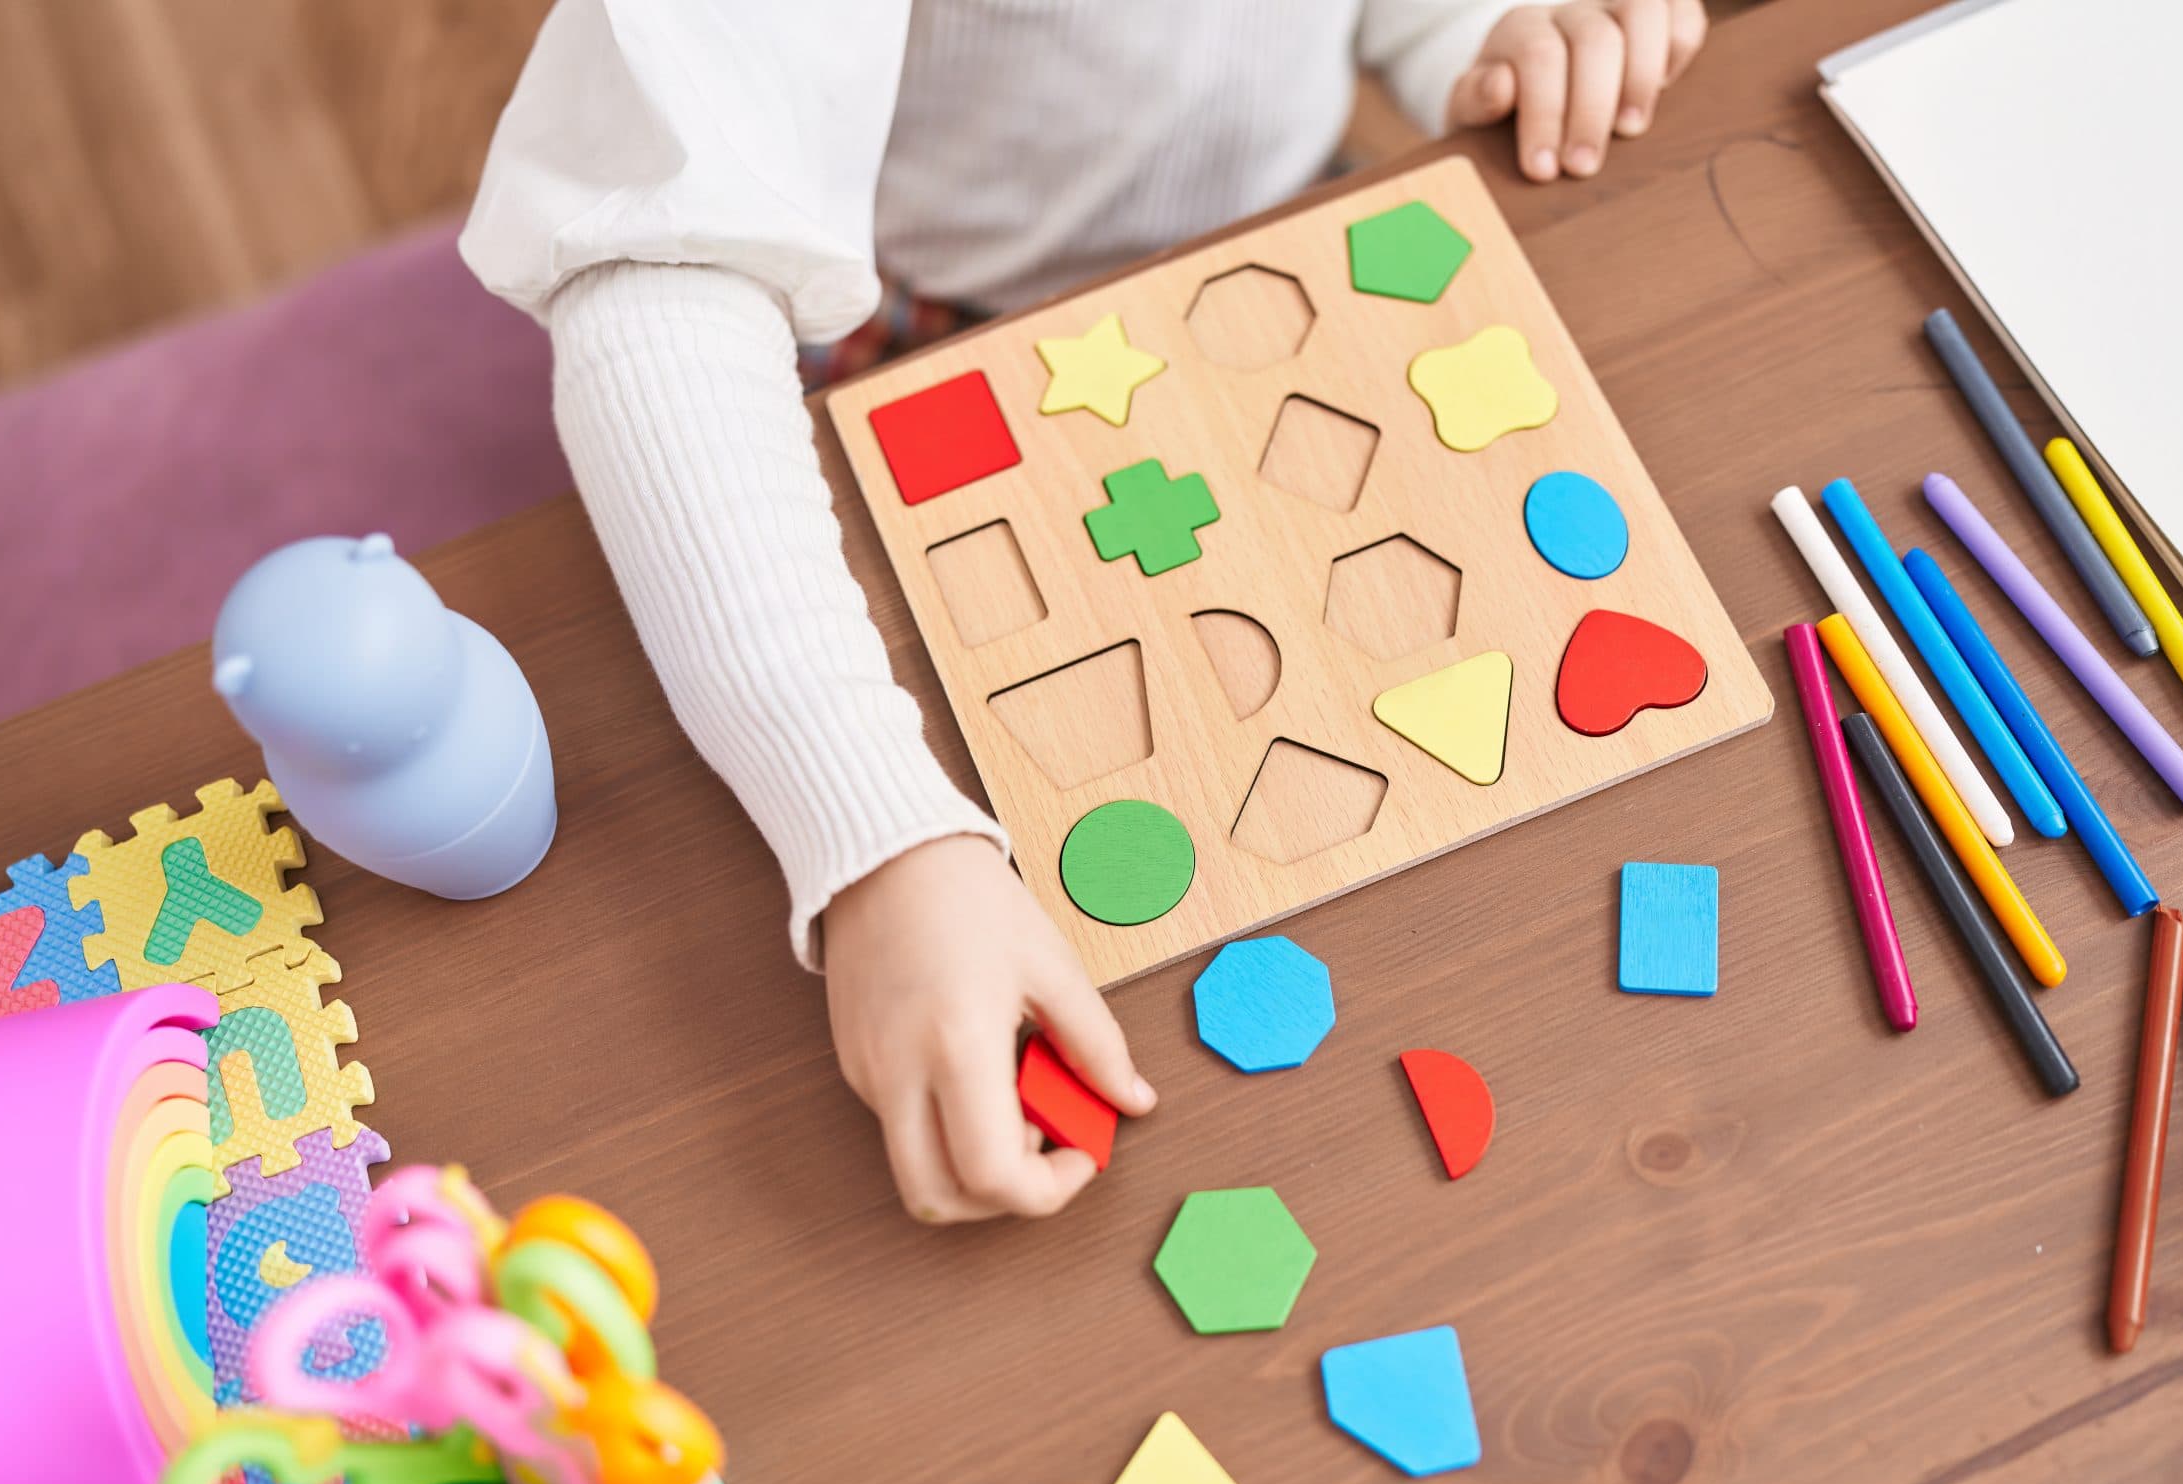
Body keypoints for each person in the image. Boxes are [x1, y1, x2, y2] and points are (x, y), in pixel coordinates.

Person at [462, 0, 1710, 1226]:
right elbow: (656, 279)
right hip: (930, 327)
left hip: (1275, 245)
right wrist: (880, 845)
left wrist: (1485, 32)